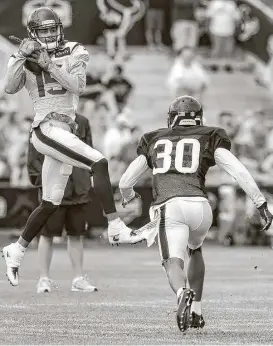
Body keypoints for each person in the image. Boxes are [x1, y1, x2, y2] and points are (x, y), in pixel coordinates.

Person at [2, 6, 147, 287]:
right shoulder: (22, 54)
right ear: (33, 33)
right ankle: (115, 226)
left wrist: (50, 65)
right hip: (46, 126)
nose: (50, 35)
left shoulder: (74, 49)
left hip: (66, 128)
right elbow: (9, 88)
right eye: (43, 31)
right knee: (99, 162)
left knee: (49, 203)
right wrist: (21, 56)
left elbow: (78, 87)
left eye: (52, 29)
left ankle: (16, 249)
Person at [119, 95, 273, 332]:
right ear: (199, 118)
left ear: (171, 118)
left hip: (169, 206)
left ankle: (182, 293)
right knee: (196, 248)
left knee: (173, 262)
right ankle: (197, 312)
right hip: (201, 208)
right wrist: (260, 202)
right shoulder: (211, 135)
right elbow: (237, 170)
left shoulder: (153, 138)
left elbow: (126, 180)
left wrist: (128, 195)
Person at [28, 113, 97, 293]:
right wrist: (42, 183)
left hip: (77, 189)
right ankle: (43, 278)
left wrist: (87, 178)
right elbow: (34, 155)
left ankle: (78, 278)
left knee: (76, 234)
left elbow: (89, 152)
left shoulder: (82, 121)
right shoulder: (41, 121)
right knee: (47, 234)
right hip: (53, 187)